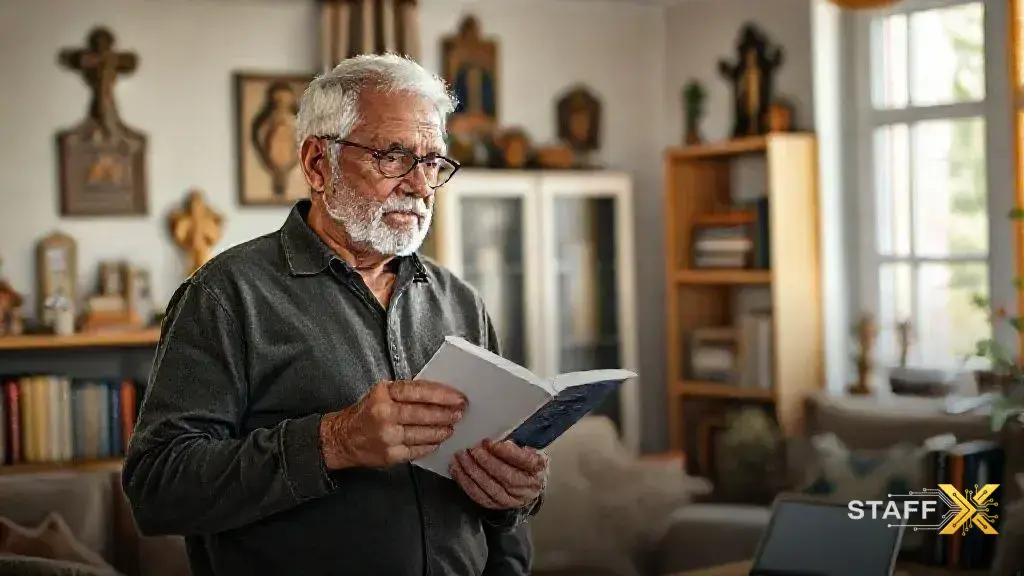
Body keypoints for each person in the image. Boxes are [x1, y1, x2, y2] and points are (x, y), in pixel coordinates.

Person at [121, 53, 548, 576]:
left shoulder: (460, 302)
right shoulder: (225, 296)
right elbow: (157, 489)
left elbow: (503, 518)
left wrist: (515, 495)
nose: (419, 185)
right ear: (317, 164)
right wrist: (333, 442)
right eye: (393, 156)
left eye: (433, 162)